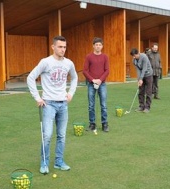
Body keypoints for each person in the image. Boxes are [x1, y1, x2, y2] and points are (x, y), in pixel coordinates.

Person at [27, 36, 78, 174]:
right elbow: (31, 77)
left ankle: (59, 162)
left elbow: (75, 78)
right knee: (47, 135)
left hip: (63, 103)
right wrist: (37, 97)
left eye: (64, 47)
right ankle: (44, 163)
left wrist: (70, 93)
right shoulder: (46, 62)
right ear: (53, 47)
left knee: (62, 135)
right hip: (48, 104)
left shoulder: (69, 63)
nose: (63, 49)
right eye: (60, 46)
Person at [83, 37, 110, 132]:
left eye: (100, 45)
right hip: (91, 84)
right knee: (91, 105)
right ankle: (92, 124)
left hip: (102, 84)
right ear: (93, 46)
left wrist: (100, 80)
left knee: (103, 104)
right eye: (96, 45)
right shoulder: (88, 57)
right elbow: (85, 71)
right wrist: (93, 80)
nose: (98, 46)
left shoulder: (105, 57)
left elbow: (107, 70)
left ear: (102, 46)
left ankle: (105, 124)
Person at [130, 48, 153, 113]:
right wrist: (139, 79)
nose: (134, 57)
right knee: (141, 91)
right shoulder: (134, 60)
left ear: (138, 53)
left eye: (135, 55)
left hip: (148, 75)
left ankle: (147, 107)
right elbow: (138, 70)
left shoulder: (144, 57)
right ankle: (141, 106)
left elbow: (144, 69)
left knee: (148, 92)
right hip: (142, 75)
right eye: (133, 56)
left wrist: (141, 78)